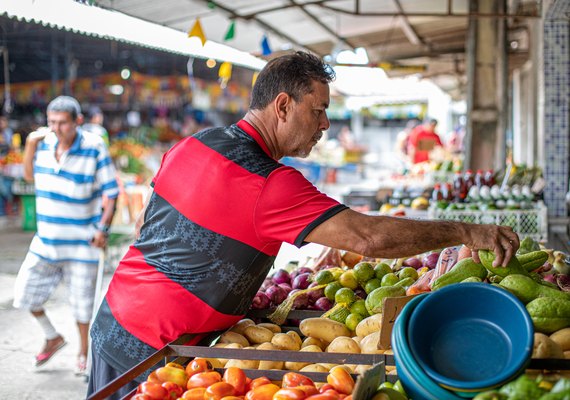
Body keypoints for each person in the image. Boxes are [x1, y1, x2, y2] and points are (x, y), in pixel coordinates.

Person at [87, 52, 519, 399]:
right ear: (282, 106)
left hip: (118, 319)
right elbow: (369, 238)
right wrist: (467, 232)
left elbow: (149, 221)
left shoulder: (191, 145)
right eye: (319, 111)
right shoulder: (270, 183)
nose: (326, 124)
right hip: (151, 347)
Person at [12, 96, 119, 376]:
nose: (56, 128)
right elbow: (28, 177)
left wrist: (103, 228)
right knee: (25, 294)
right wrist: (31, 144)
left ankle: (83, 351)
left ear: (77, 122)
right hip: (46, 241)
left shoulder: (94, 148)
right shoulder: (42, 144)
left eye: (62, 123)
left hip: (82, 244)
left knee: (82, 306)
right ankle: (52, 336)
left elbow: (111, 192)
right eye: (52, 122)